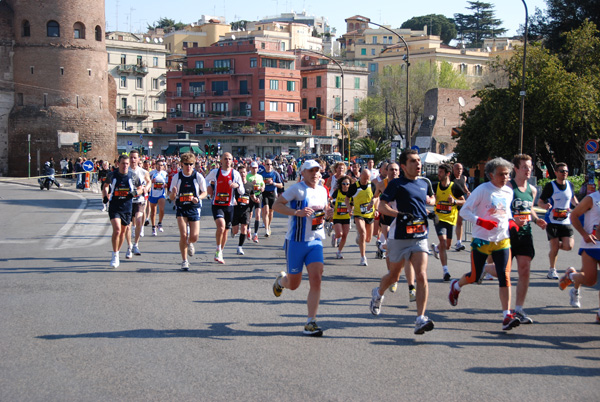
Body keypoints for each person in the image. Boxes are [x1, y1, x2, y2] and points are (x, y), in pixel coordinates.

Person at [448, 157, 522, 331]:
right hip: (482, 240)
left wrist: (511, 223)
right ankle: (456, 286)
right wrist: (481, 222)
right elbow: (465, 211)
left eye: (507, 174)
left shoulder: (508, 191)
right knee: (475, 276)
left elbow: (507, 211)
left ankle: (507, 316)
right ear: (491, 175)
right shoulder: (482, 190)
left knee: (505, 275)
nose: (505, 178)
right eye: (502, 174)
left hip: (502, 240)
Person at [370, 149, 436, 335]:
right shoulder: (396, 184)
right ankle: (378, 293)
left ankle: (420, 318)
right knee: (394, 276)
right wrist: (399, 215)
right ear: (404, 166)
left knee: (421, 275)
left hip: (420, 235)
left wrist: (431, 213)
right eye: (413, 161)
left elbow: (423, 204)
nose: (418, 164)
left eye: (418, 161)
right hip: (400, 236)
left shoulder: (424, 183)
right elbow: (382, 205)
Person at [480, 154, 547, 324]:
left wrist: (536, 219)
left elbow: (529, 209)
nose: (528, 170)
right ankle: (484, 268)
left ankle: (518, 310)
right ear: (516, 169)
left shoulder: (532, 190)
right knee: (504, 272)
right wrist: (512, 220)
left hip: (524, 235)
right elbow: (499, 211)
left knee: (524, 270)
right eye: (524, 167)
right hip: (507, 235)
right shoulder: (508, 187)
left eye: (530, 167)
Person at [271, 160, 332, 336]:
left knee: (316, 278)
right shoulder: (297, 189)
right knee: (294, 284)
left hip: (315, 241)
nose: (315, 174)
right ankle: (281, 281)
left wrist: (328, 214)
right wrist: (296, 212)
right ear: (303, 173)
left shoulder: (322, 190)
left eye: (317, 171)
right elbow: (276, 205)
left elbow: (324, 211)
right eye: (311, 171)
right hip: (296, 242)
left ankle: (310, 322)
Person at [560, 186, 600, 321]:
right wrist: (584, 234)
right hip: (591, 245)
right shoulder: (592, 199)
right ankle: (571, 275)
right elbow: (574, 215)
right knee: (590, 280)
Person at [538, 163, 579, 279]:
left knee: (569, 246)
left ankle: (553, 245)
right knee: (555, 247)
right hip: (552, 221)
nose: (564, 173)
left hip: (566, 221)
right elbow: (540, 201)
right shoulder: (550, 186)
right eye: (561, 171)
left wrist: (578, 205)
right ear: (556, 173)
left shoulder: (570, 185)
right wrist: (545, 206)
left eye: (566, 171)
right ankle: (552, 270)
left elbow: (572, 197)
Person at [102, 154, 142, 268]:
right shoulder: (112, 175)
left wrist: (133, 194)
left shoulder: (133, 176)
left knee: (123, 232)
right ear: (118, 164)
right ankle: (114, 255)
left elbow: (140, 188)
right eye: (123, 163)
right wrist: (105, 196)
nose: (125, 166)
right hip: (115, 206)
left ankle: (117, 252)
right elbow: (105, 186)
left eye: (127, 164)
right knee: (118, 230)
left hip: (127, 207)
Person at [169, 153, 207, 271]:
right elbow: (170, 197)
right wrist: (174, 194)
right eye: (186, 164)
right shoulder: (177, 177)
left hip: (194, 208)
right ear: (182, 164)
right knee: (183, 235)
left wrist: (198, 198)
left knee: (194, 236)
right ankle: (184, 261)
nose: (189, 166)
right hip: (181, 208)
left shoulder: (198, 177)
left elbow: (204, 192)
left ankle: (190, 242)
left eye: (191, 164)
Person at [205, 152, 245, 264]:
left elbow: (242, 190)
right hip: (217, 204)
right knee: (221, 227)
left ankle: (220, 252)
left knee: (226, 231)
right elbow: (205, 180)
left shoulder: (235, 174)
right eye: (225, 159)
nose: (228, 161)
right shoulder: (215, 172)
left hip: (229, 205)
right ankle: (218, 248)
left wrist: (237, 186)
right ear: (221, 160)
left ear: (232, 161)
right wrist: (209, 188)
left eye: (230, 159)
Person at [430, 164, 466, 282]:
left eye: (441, 172)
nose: (438, 174)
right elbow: (430, 198)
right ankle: (446, 271)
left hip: (450, 219)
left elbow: (464, 201)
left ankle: (436, 248)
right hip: (439, 218)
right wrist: (432, 200)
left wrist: (455, 201)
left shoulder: (455, 187)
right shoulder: (435, 186)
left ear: (447, 174)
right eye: (438, 171)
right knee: (443, 241)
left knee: (447, 246)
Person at [346, 169, 378, 266]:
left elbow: (377, 197)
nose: (365, 180)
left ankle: (359, 238)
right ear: (360, 176)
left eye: (367, 178)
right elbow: (347, 199)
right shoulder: (354, 187)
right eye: (364, 178)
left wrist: (376, 208)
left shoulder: (372, 185)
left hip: (370, 214)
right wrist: (349, 209)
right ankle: (363, 257)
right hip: (358, 213)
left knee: (368, 239)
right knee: (363, 233)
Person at [125, 150, 151, 258]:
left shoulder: (143, 171)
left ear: (138, 159)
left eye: (135, 158)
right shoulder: (125, 171)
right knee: (128, 226)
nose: (132, 160)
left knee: (139, 220)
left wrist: (146, 188)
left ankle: (136, 244)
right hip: (127, 201)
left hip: (139, 200)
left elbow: (149, 182)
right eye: (131, 157)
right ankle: (129, 246)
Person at [232, 164, 253, 255]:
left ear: (246, 173)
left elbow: (252, 195)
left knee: (244, 228)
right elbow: (231, 195)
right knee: (235, 230)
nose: (242, 174)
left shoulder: (250, 185)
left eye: (244, 172)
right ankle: (233, 231)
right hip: (236, 210)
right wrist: (233, 200)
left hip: (246, 210)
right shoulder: (236, 185)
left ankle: (240, 247)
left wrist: (255, 199)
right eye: (240, 172)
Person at [330, 175, 352, 259]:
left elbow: (352, 203)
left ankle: (339, 251)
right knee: (339, 234)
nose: (345, 185)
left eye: (347, 184)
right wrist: (332, 204)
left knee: (344, 235)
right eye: (343, 183)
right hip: (337, 216)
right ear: (341, 184)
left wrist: (351, 210)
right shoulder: (337, 192)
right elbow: (330, 199)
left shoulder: (351, 193)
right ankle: (335, 236)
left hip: (346, 217)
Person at [260, 159, 283, 237]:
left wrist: (273, 183)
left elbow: (281, 185)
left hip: (272, 193)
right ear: (264, 165)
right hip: (264, 193)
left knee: (271, 212)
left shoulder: (275, 174)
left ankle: (268, 225)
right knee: (265, 211)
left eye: (270, 164)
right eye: (267, 164)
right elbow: (257, 182)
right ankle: (266, 229)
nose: (269, 166)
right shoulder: (261, 174)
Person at [451, 163, 471, 251]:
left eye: (461, 169)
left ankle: (459, 242)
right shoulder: (450, 178)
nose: (459, 171)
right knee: (450, 224)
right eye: (457, 169)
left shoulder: (464, 178)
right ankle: (444, 242)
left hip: (460, 202)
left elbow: (463, 186)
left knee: (460, 222)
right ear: (453, 169)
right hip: (451, 203)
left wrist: (467, 192)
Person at [148, 160, 168, 236]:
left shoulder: (164, 173)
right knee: (153, 211)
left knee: (162, 209)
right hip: (153, 194)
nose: (160, 166)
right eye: (159, 165)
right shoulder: (152, 173)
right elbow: (146, 181)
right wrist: (151, 181)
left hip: (161, 194)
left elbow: (166, 183)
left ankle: (159, 223)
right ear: (156, 165)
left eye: (161, 165)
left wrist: (165, 185)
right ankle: (153, 227)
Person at [246, 161, 265, 243]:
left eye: (256, 168)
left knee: (257, 215)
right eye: (253, 168)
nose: (254, 169)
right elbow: (246, 186)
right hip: (250, 196)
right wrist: (251, 184)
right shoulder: (247, 176)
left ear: (258, 168)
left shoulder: (260, 176)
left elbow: (262, 184)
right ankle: (248, 229)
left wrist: (263, 187)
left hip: (258, 196)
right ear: (250, 168)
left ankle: (255, 234)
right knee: (249, 215)